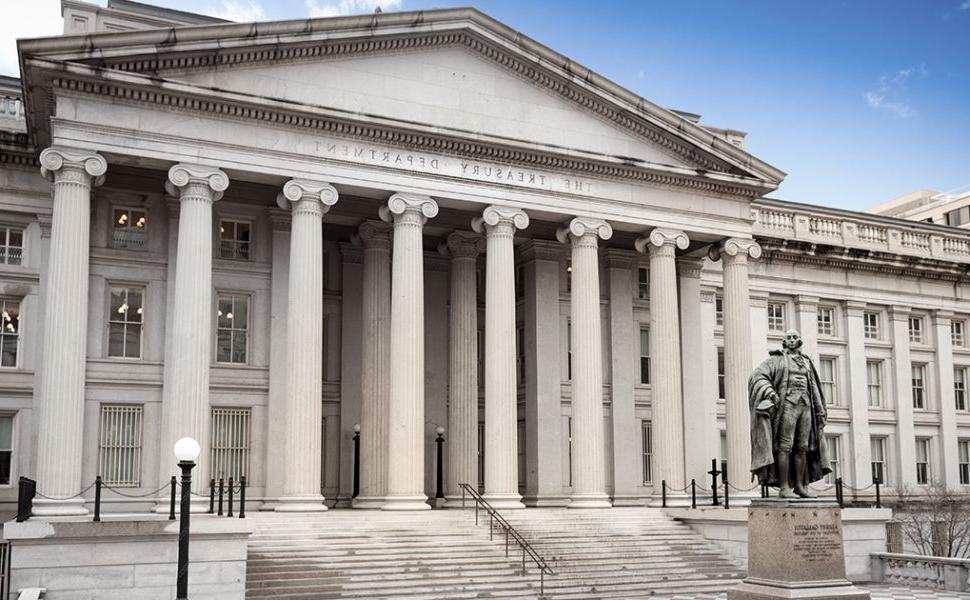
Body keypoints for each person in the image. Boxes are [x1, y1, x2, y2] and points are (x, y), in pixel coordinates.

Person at [748, 329, 830, 498]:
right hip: (787, 406)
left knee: (803, 447)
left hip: (806, 406)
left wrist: (820, 410)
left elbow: (813, 387)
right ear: (784, 341)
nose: (792, 340)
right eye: (789, 338)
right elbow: (757, 376)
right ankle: (785, 487)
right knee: (785, 447)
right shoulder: (776, 359)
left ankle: (800, 486)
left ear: (800, 340)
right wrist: (770, 392)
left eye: (795, 337)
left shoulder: (807, 362)